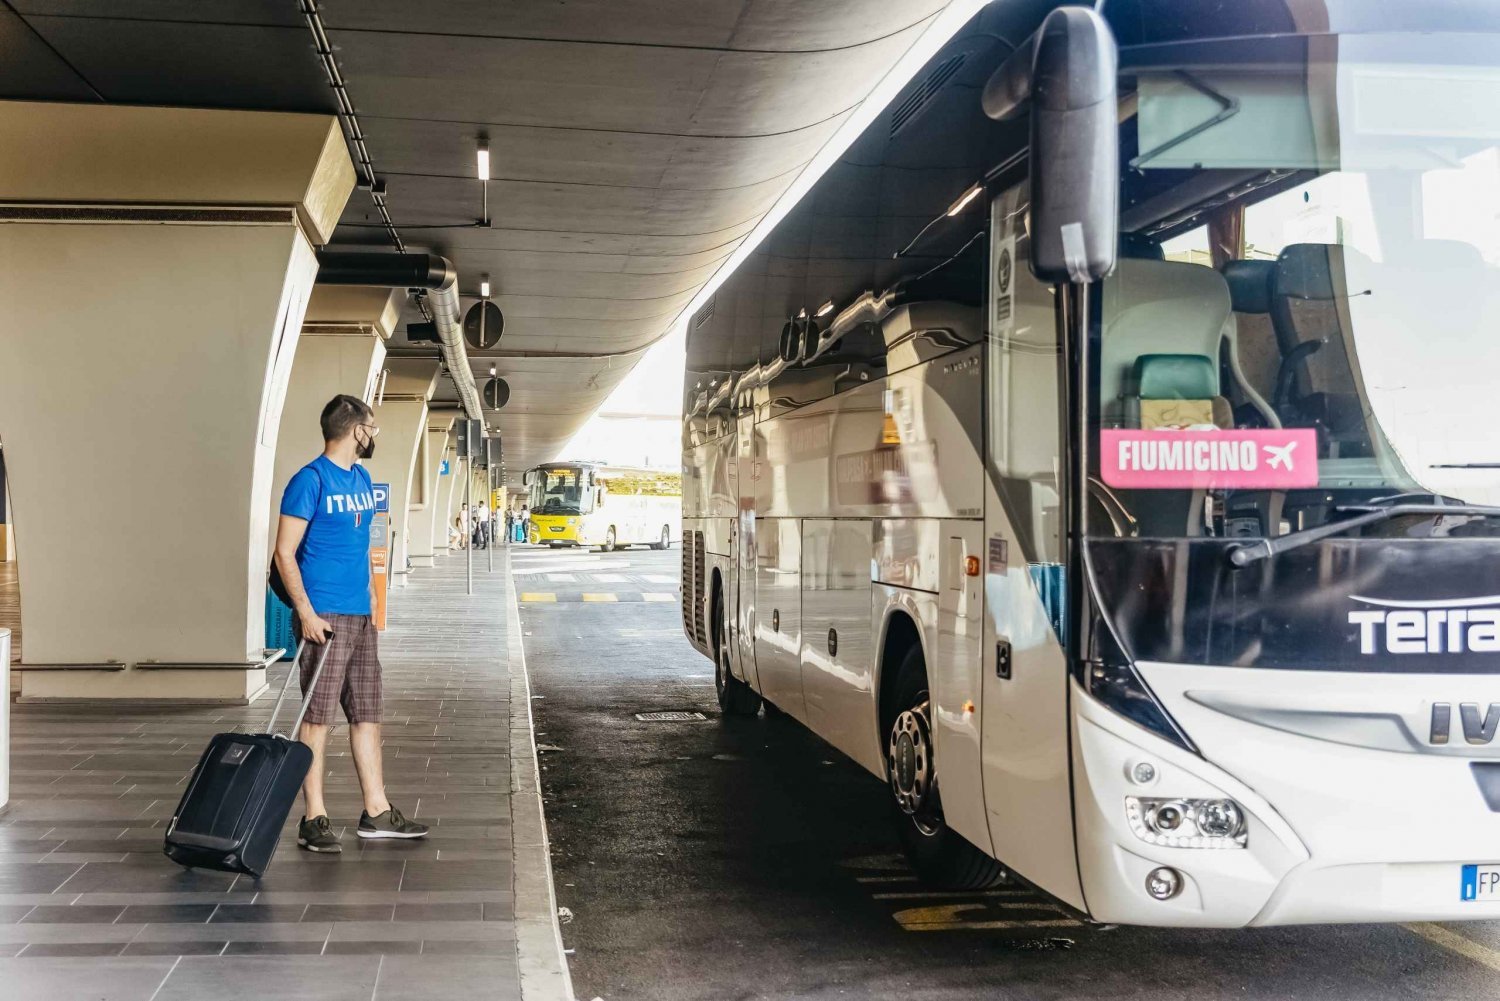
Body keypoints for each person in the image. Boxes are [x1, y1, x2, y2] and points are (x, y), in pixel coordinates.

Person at [273, 394, 429, 853]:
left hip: (361, 617)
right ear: (354, 429)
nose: (374, 436)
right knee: (317, 720)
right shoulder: (310, 480)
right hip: (323, 617)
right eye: (372, 428)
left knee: (367, 714)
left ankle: (376, 811)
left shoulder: (361, 477)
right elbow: (284, 553)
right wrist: (304, 613)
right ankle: (314, 818)